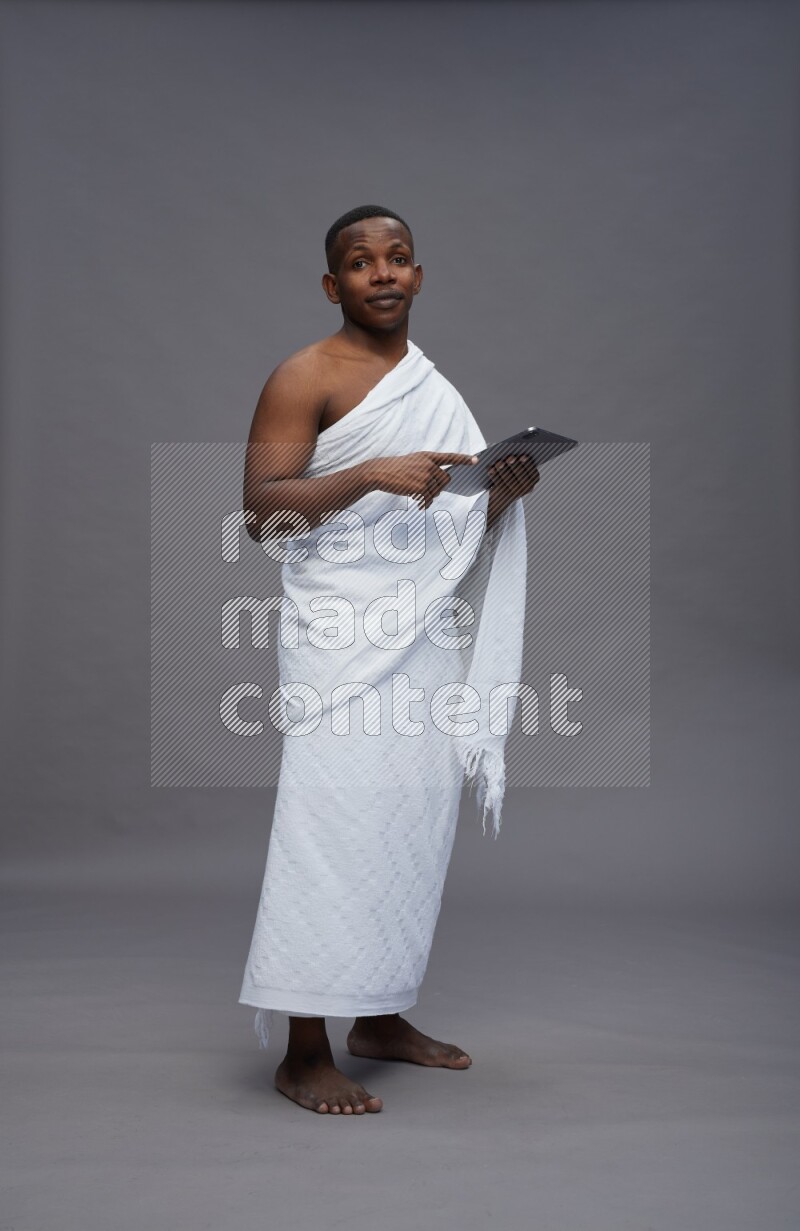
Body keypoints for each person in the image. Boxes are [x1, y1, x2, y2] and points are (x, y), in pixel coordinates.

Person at [239, 204, 538, 1115]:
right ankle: (302, 1050)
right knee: (330, 831)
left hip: (419, 639)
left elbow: (442, 537)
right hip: (341, 636)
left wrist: (500, 498)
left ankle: (377, 1016)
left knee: (408, 823)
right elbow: (262, 514)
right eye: (361, 262)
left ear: (418, 275)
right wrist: (370, 473)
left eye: (398, 258)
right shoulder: (304, 377)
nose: (383, 273)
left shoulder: (431, 387)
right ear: (334, 285)